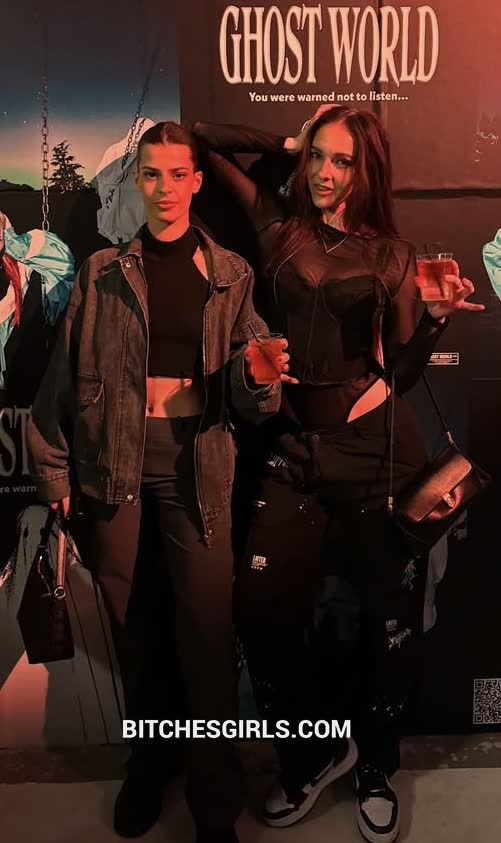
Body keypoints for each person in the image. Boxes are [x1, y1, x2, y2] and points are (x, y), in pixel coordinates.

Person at [192, 106, 484, 843]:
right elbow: (197, 136)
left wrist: (437, 319)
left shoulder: (393, 255)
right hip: (291, 451)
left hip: (373, 454)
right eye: (317, 157)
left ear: (366, 170)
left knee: (385, 625)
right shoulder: (277, 226)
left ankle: (376, 765)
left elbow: (403, 371)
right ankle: (315, 754)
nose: (323, 173)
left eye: (341, 161)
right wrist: (288, 140)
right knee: (259, 612)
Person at [26, 121, 293, 843]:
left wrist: (256, 376)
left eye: (179, 174)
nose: (166, 188)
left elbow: (254, 397)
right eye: (152, 175)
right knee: (136, 636)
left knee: (206, 641)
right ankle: (149, 764)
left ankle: (214, 799)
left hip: (196, 473)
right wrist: (52, 467)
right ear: (137, 182)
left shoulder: (232, 274)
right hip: (113, 471)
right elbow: (59, 379)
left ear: (197, 182)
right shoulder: (102, 271)